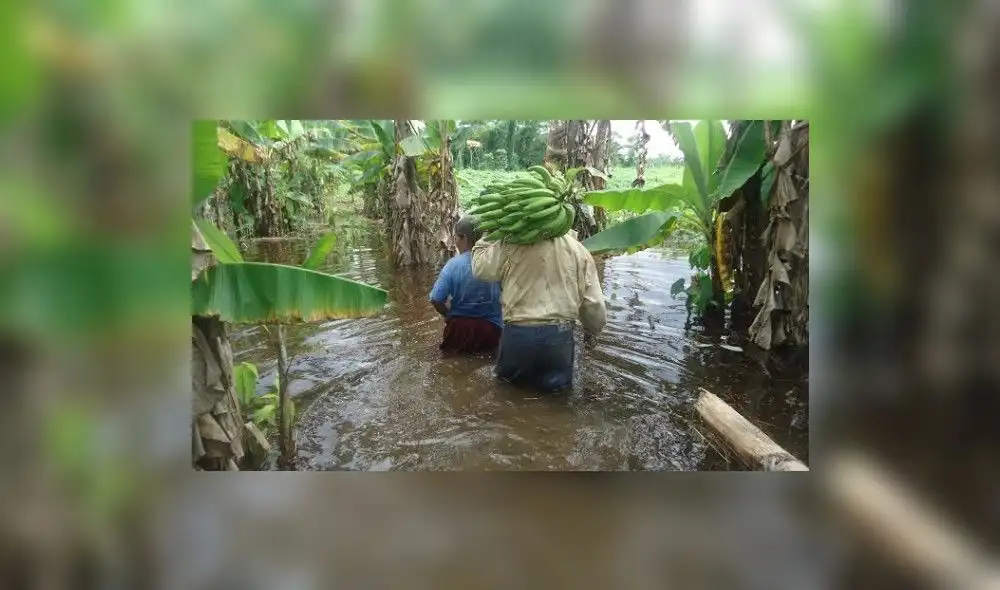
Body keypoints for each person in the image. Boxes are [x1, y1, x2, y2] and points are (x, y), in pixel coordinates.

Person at [470, 224, 606, 392]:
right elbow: (595, 305)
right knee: (557, 402)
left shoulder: (511, 241)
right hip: (559, 339)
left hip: (519, 335)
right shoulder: (578, 250)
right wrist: (591, 332)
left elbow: (481, 269)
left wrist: (491, 231)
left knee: (508, 397)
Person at [428, 215, 503, 355]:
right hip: (491, 330)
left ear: (462, 237)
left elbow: (436, 299)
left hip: (458, 330)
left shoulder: (453, 265)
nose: (455, 242)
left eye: (456, 238)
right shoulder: (495, 262)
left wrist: (448, 315)